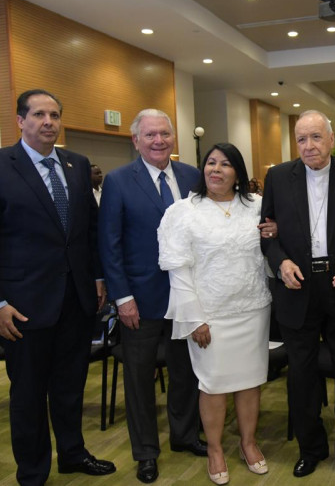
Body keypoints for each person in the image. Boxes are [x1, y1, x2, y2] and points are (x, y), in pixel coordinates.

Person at [0, 89, 116, 485]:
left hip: (76, 301)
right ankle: (32, 472)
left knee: (70, 387)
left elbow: (89, 230)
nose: (48, 122)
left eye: (54, 115)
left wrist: (97, 277)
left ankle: (72, 453)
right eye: (39, 115)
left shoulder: (77, 164)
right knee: (28, 394)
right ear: (20, 120)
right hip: (22, 306)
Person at [261, 110, 335, 485]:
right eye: (301, 139)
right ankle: (310, 450)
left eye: (315, 137)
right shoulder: (278, 177)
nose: (308, 146)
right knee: (302, 377)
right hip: (297, 289)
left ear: (330, 137)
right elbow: (268, 235)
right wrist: (281, 264)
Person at [98, 109, 205, 484]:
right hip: (139, 300)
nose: (158, 141)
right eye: (150, 135)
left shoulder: (193, 176)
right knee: (140, 379)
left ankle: (185, 435)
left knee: (186, 372)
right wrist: (121, 296)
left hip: (186, 296)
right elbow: (108, 244)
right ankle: (145, 452)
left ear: (173, 137)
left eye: (164, 134)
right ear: (135, 140)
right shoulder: (118, 181)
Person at [158, 143, 276, 485]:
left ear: (237, 172)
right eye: (210, 163)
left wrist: (277, 233)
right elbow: (178, 271)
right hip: (210, 314)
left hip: (253, 308)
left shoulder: (256, 207)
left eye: (225, 164)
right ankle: (214, 449)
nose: (216, 169)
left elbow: (271, 250)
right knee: (213, 384)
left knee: (251, 380)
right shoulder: (184, 212)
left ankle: (248, 443)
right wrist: (193, 318)